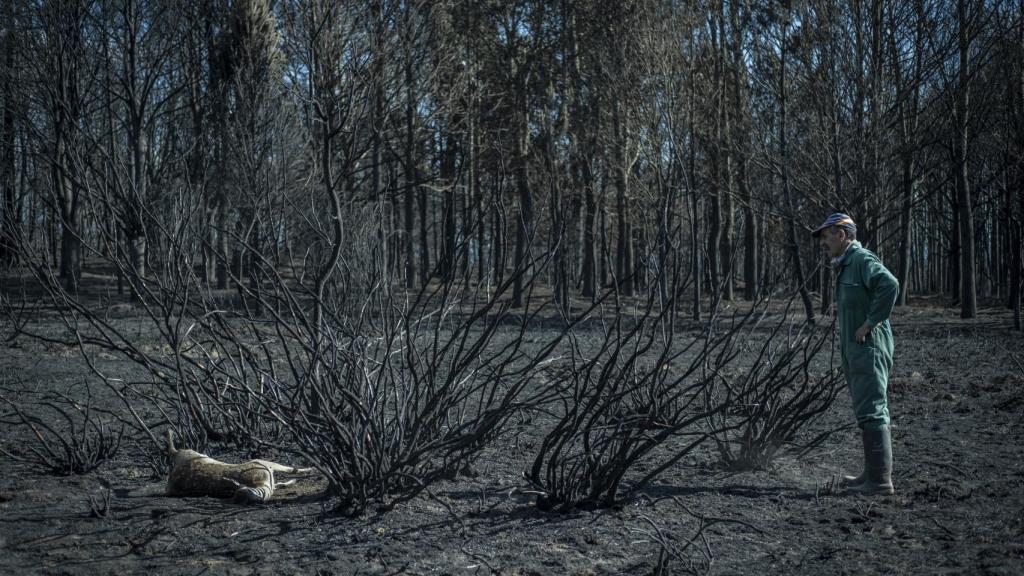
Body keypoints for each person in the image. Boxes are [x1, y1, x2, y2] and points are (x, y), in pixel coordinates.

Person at [812, 213, 899, 496]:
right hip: (856, 349)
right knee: (865, 408)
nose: (823, 242)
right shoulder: (845, 264)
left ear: (842, 234)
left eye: (826, 235)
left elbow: (890, 285)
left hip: (869, 347)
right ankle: (871, 473)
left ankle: (880, 481)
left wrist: (870, 322)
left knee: (873, 407)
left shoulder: (861, 260)